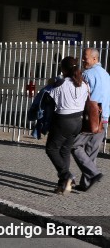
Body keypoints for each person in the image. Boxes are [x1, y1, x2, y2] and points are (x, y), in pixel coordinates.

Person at [45, 56, 87, 194]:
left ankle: (66, 175)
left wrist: (51, 82)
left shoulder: (60, 84)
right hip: (77, 122)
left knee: (51, 149)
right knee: (65, 151)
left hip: (63, 121)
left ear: (63, 69)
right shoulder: (84, 84)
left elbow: (47, 97)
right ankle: (63, 185)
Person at [71, 47, 109, 191]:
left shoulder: (87, 75)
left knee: (74, 145)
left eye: (85, 57)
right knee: (91, 151)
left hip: (90, 119)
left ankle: (94, 173)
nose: (82, 59)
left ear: (94, 59)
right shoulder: (107, 75)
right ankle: (86, 183)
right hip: (104, 118)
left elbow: (81, 96)